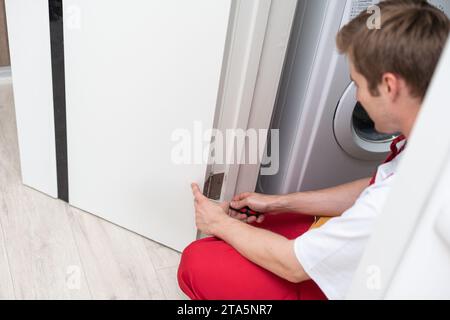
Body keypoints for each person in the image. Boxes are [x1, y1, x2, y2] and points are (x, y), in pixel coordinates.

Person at [178, 0, 450, 300]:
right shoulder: (430, 136)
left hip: (362, 283)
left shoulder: (391, 203)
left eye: (357, 83)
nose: (358, 97)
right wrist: (277, 203)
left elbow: (293, 265)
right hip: (365, 247)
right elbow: (373, 186)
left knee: (197, 264)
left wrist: (217, 221)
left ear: (389, 86)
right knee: (239, 235)